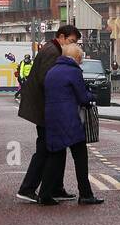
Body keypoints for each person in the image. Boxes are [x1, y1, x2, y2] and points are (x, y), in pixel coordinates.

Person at [16, 23, 81, 203]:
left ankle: (55, 188)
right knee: (45, 149)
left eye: (75, 43)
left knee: (57, 149)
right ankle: (27, 188)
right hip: (45, 110)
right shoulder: (53, 52)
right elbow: (49, 82)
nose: (73, 46)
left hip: (46, 108)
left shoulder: (53, 49)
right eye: (71, 41)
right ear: (61, 37)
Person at [39, 43, 104, 206]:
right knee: (80, 157)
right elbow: (82, 97)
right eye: (81, 58)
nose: (81, 61)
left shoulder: (52, 71)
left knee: (55, 156)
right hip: (70, 120)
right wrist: (92, 94)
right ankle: (86, 194)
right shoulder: (73, 71)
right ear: (77, 58)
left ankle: (44, 194)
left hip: (52, 118)